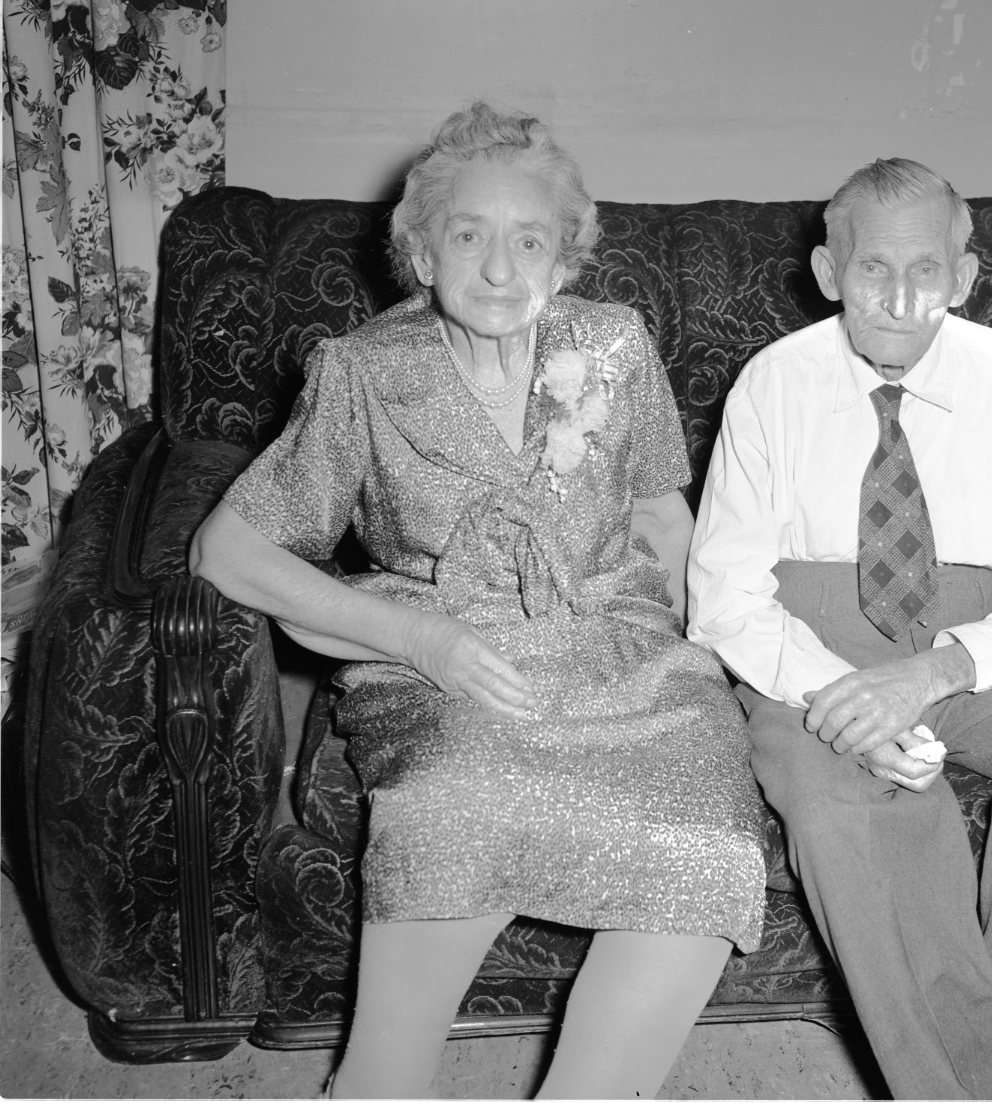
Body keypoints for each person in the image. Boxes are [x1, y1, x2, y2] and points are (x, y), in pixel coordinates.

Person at [190, 101, 766, 1100]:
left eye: (529, 240)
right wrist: (422, 643)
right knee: (458, 803)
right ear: (422, 253)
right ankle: (379, 1083)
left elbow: (661, 521)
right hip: (448, 647)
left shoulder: (615, 345)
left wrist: (726, 663)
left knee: (710, 832)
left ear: (565, 260)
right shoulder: (360, 372)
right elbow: (228, 551)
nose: (500, 269)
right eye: (468, 236)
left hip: (619, 637)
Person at [686, 158, 992, 1099]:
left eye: (926, 270)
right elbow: (727, 597)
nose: (900, 299)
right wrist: (842, 695)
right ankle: (961, 1086)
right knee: (854, 809)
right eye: (873, 269)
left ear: (963, 277)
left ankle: (981, 1048)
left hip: (972, 651)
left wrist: (933, 674)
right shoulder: (772, 385)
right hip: (809, 654)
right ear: (829, 273)